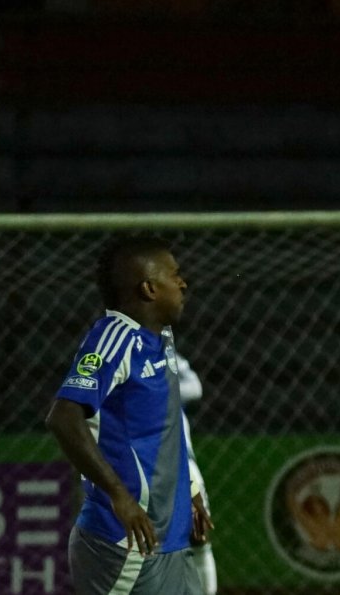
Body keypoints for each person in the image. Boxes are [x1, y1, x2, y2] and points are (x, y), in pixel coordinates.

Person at [45, 236, 212, 595]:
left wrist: (191, 490)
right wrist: (119, 496)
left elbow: (163, 426)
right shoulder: (114, 338)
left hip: (169, 536)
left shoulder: (161, 337)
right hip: (127, 543)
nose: (183, 283)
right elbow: (64, 417)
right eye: (175, 275)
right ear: (150, 289)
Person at [175, 352, 218, 595]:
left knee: (197, 534)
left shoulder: (162, 347)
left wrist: (156, 393)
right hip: (134, 465)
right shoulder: (107, 350)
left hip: (181, 462)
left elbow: (194, 387)